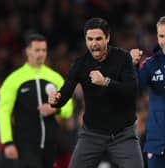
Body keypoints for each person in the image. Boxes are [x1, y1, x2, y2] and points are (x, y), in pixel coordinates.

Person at [48, 17, 144, 168]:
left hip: (123, 134)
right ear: (85, 40)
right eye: (90, 39)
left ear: (107, 38)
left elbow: (132, 90)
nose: (94, 44)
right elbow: (65, 93)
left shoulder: (123, 58)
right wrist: (56, 100)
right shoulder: (80, 64)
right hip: (91, 135)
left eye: (99, 39)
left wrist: (106, 82)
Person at [0, 33, 73, 168]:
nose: (41, 54)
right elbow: (3, 112)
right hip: (25, 144)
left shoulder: (55, 78)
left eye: (44, 50)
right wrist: (8, 142)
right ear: (27, 51)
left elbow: (69, 107)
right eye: (37, 50)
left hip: (50, 144)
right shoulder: (13, 79)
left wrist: (55, 109)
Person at [130, 16, 165, 168]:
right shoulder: (150, 65)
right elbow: (133, 90)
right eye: (161, 36)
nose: (164, 40)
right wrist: (133, 65)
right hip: (157, 142)